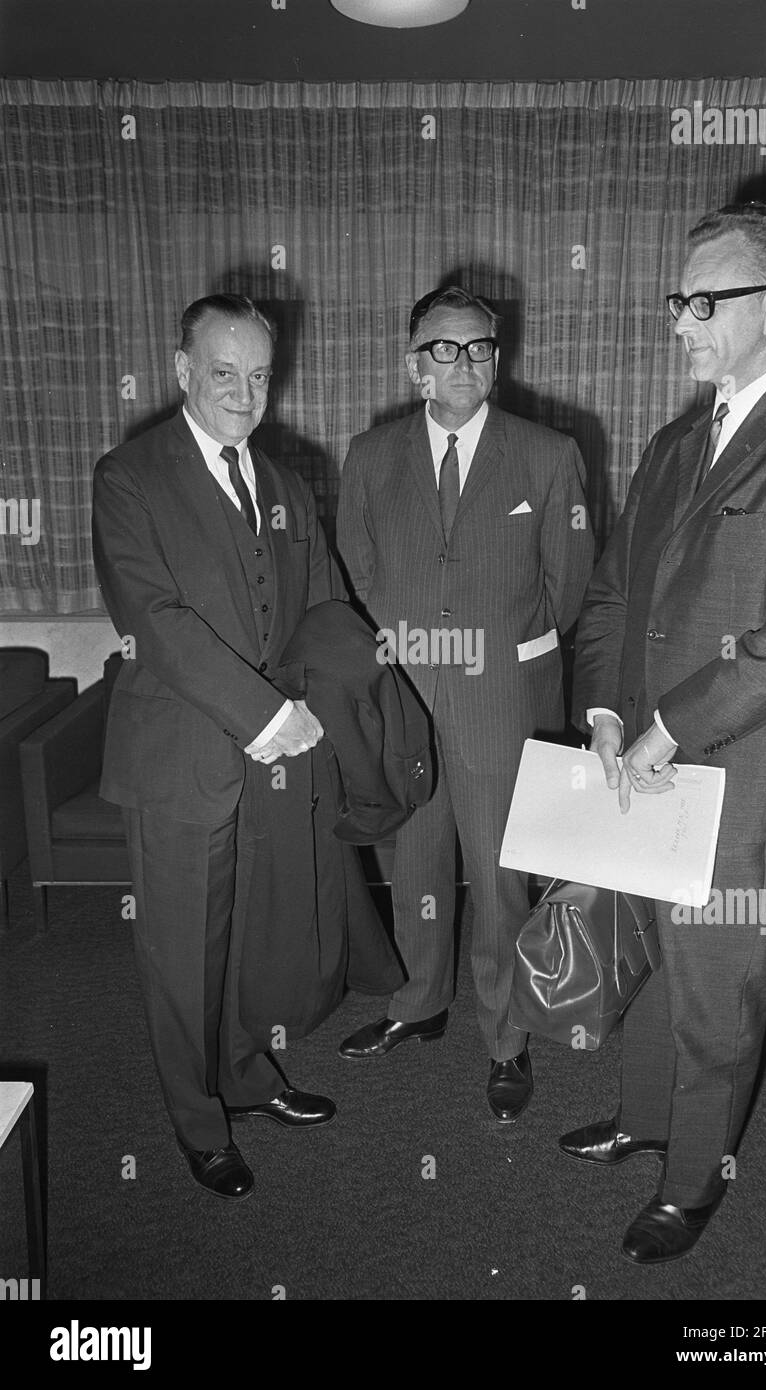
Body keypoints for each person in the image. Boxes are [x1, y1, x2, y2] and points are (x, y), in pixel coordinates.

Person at [561, 203, 766, 1262]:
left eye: (704, 301)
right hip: (635, 756)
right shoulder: (678, 437)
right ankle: (647, 1117)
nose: (680, 320)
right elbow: (611, 592)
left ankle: (693, 1179)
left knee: (716, 982)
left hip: (735, 773)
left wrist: (667, 728)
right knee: (644, 952)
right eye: (677, 299)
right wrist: (603, 708)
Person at [92, 293, 350, 1201]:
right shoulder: (129, 476)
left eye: (258, 375)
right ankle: (197, 1123)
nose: (243, 393)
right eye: (222, 373)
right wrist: (268, 716)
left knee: (241, 940)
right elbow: (154, 622)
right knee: (179, 955)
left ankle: (243, 1076)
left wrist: (352, 700)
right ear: (181, 373)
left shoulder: (280, 482)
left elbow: (320, 606)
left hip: (270, 762)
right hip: (178, 763)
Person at [336, 285, 594, 1121]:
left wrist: (500, 661)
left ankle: (506, 1038)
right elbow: (357, 575)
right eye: (443, 348)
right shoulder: (371, 456)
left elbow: (567, 590)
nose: (463, 363)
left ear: (498, 357)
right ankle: (419, 1001)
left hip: (500, 705)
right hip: (405, 694)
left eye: (479, 347)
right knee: (410, 863)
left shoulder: (548, 454)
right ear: (415, 363)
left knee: (499, 876)